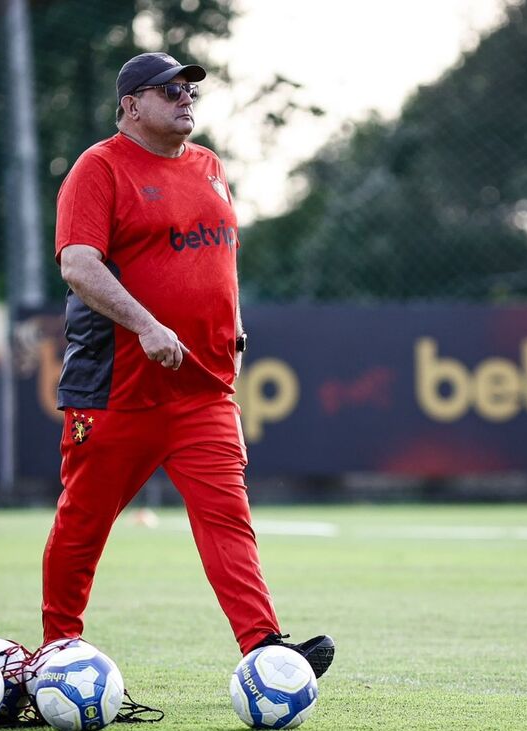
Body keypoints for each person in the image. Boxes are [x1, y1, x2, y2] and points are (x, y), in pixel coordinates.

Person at [41, 51, 335, 679]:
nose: (185, 98)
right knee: (83, 522)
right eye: (168, 90)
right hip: (118, 387)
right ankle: (57, 653)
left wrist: (228, 323)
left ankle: (264, 649)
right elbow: (78, 264)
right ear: (130, 106)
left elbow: (211, 262)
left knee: (228, 519)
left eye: (189, 89)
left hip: (202, 390)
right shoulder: (98, 168)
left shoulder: (209, 167)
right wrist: (147, 325)